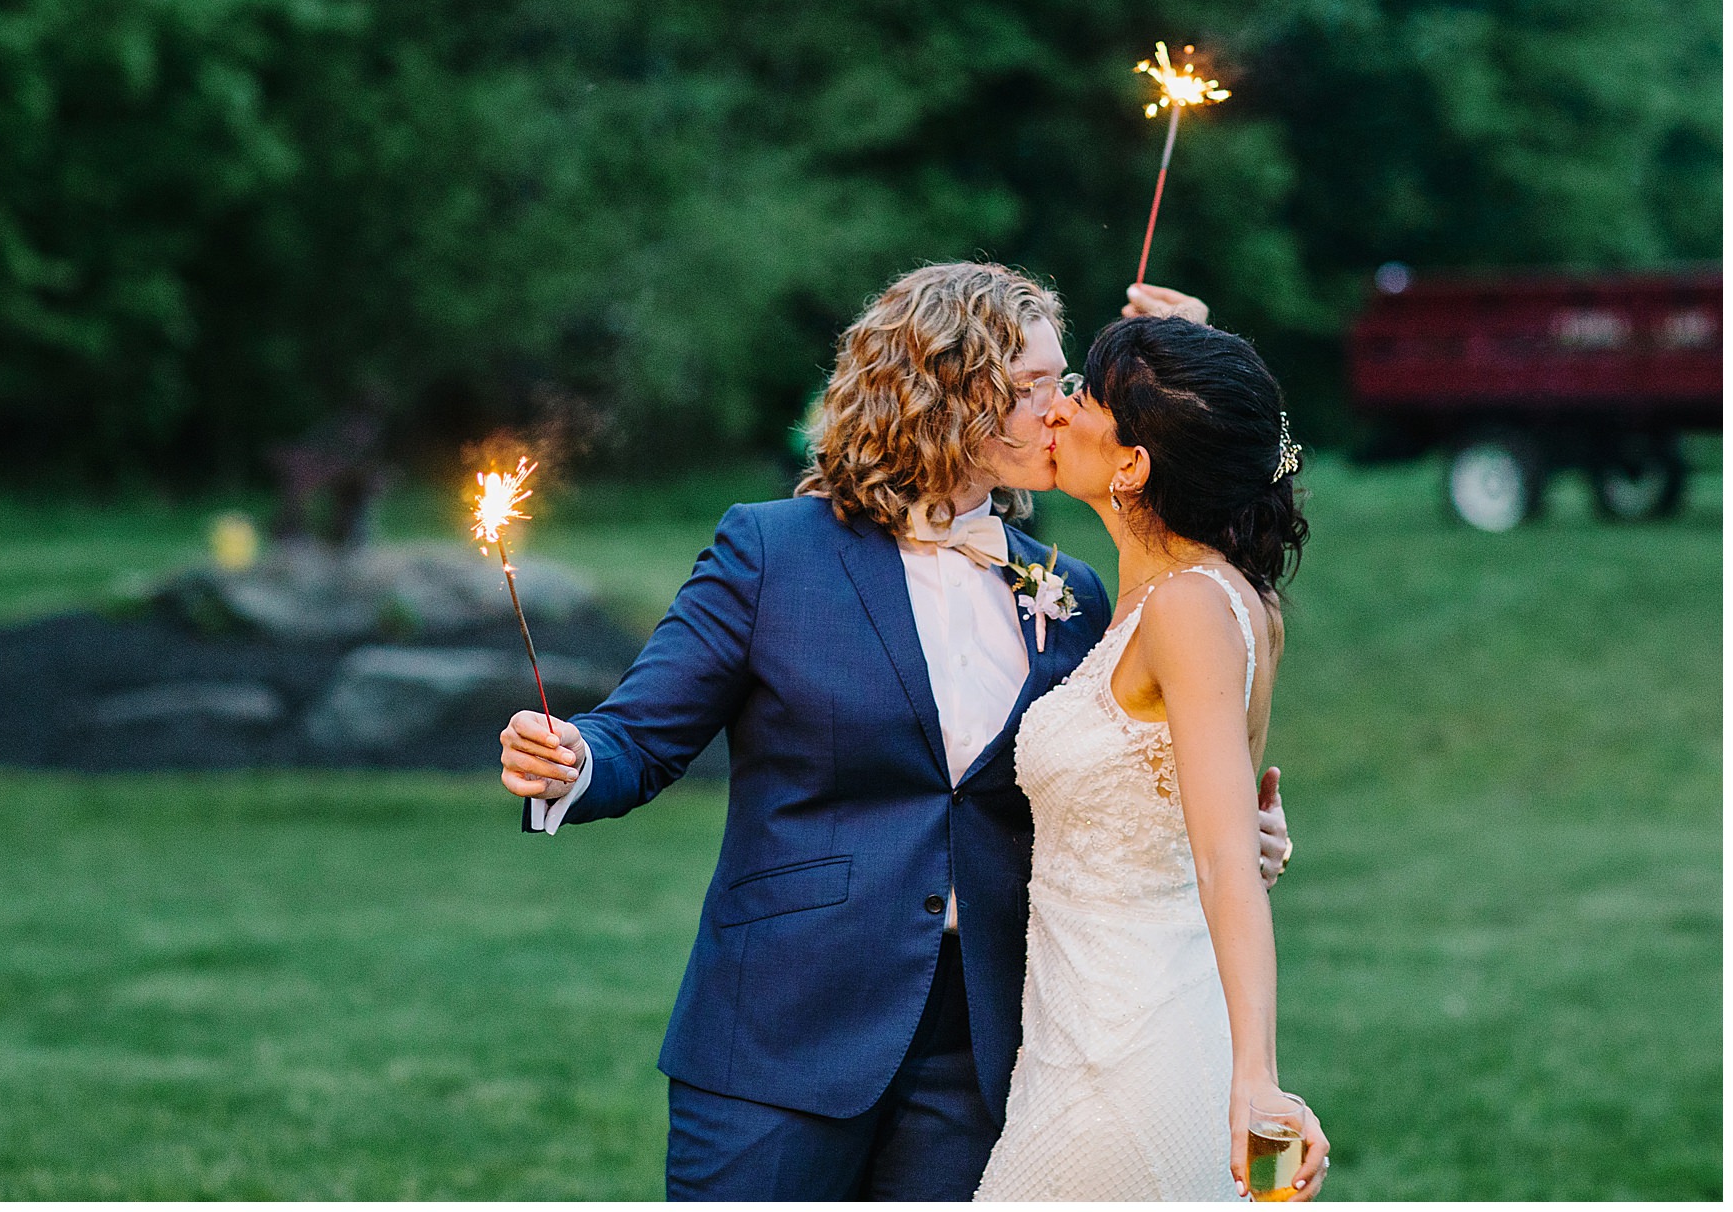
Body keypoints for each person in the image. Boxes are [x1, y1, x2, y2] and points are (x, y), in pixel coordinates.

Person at [499, 264, 1290, 1201]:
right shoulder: (770, 552)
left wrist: (1225, 831)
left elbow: (1131, 751)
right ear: (943, 394)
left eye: (1062, 383)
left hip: (988, 1039)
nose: (1057, 410)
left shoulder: (1076, 591)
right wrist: (575, 760)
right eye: (1032, 386)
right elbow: (640, 735)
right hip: (780, 1035)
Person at [974, 314, 1332, 1200]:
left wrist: (1257, 1077)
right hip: (1081, 1037)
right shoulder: (1206, 598)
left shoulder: (1188, 611)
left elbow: (1221, 857)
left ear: (1133, 465)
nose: (1054, 412)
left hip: (1124, 1053)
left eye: (1084, 398)